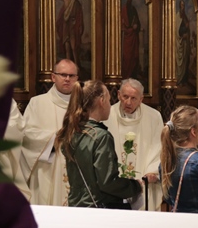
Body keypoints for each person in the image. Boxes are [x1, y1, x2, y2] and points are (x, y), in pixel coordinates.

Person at [56, 80, 142, 209]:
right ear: (101, 101)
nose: (110, 105)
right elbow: (108, 182)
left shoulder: (72, 132)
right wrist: (135, 186)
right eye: (109, 100)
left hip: (76, 206)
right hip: (97, 209)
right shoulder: (100, 136)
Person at [20, 59, 77, 206]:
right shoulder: (37, 103)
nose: (67, 79)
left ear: (77, 79)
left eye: (71, 76)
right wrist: (54, 139)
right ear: (53, 77)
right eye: (63, 75)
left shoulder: (83, 105)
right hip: (47, 169)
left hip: (77, 167)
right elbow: (27, 135)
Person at [104, 78, 164, 211]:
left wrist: (152, 171)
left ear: (141, 99)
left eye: (133, 98)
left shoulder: (154, 116)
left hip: (144, 179)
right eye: (125, 97)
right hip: (115, 185)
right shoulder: (107, 115)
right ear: (118, 95)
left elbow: (159, 147)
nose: (128, 102)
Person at [56, 0, 84, 67]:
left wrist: (78, 25)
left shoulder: (76, 2)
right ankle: (68, 68)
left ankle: (77, 67)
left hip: (72, 26)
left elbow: (79, 14)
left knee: (73, 47)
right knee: (67, 48)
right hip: (65, 26)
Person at [121, 0, 141, 79]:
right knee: (127, 57)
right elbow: (121, 23)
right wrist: (126, 28)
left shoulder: (133, 9)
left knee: (134, 57)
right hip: (127, 37)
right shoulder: (124, 9)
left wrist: (136, 26)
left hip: (133, 36)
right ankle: (126, 76)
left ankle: (133, 76)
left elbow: (138, 22)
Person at [176, 0, 191, 88]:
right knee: (180, 61)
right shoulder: (178, 16)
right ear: (179, 6)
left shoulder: (185, 16)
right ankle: (179, 80)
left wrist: (187, 31)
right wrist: (183, 33)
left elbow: (187, 29)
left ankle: (184, 80)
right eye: (181, 5)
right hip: (180, 41)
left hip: (185, 42)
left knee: (185, 60)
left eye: (184, 5)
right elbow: (177, 29)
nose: (183, 7)